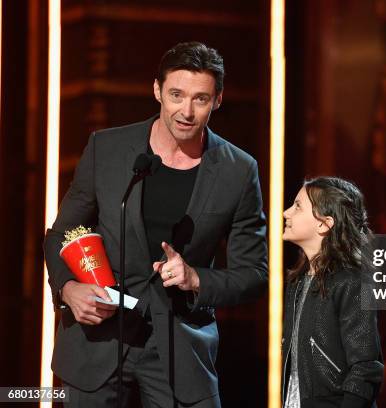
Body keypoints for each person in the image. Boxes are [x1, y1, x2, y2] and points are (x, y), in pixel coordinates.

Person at [43, 41, 268, 407]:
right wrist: (67, 289)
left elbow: (254, 274)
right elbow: (61, 234)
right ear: (157, 91)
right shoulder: (107, 148)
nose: (187, 111)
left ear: (218, 100)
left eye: (201, 99)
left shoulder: (238, 170)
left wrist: (196, 278)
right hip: (97, 342)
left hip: (181, 352)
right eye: (177, 95)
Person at [281, 177, 384, 408]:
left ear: (324, 224)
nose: (286, 213)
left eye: (298, 206)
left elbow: (366, 366)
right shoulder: (297, 281)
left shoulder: (351, 281)